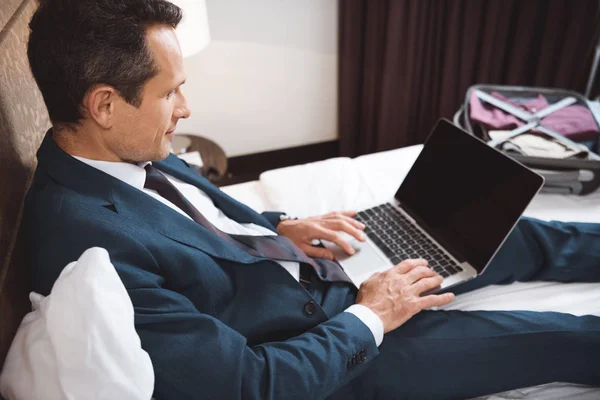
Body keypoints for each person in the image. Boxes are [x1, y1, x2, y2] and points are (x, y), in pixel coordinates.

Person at [24, 1, 600, 399]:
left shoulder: (117, 152)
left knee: (497, 230)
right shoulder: (87, 248)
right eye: (170, 91)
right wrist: (373, 314)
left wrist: (283, 228)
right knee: (568, 337)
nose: (186, 108)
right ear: (104, 104)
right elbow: (250, 386)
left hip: (320, 267)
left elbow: (203, 225)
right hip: (337, 349)